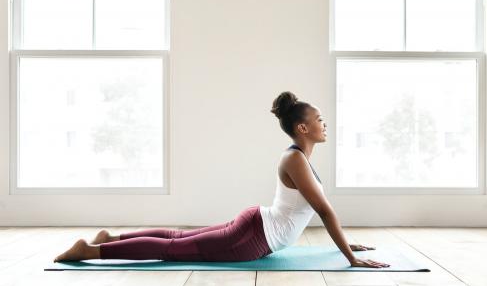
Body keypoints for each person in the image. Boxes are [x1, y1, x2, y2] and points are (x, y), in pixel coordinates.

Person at [53, 91, 390, 268]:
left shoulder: (297, 157)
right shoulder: (296, 159)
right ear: (303, 128)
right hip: (252, 238)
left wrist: (346, 243)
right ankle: (93, 250)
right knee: (173, 249)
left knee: (177, 238)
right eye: (319, 119)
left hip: (256, 226)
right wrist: (350, 257)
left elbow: (312, 213)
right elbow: (325, 212)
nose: (324, 123)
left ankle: (111, 237)